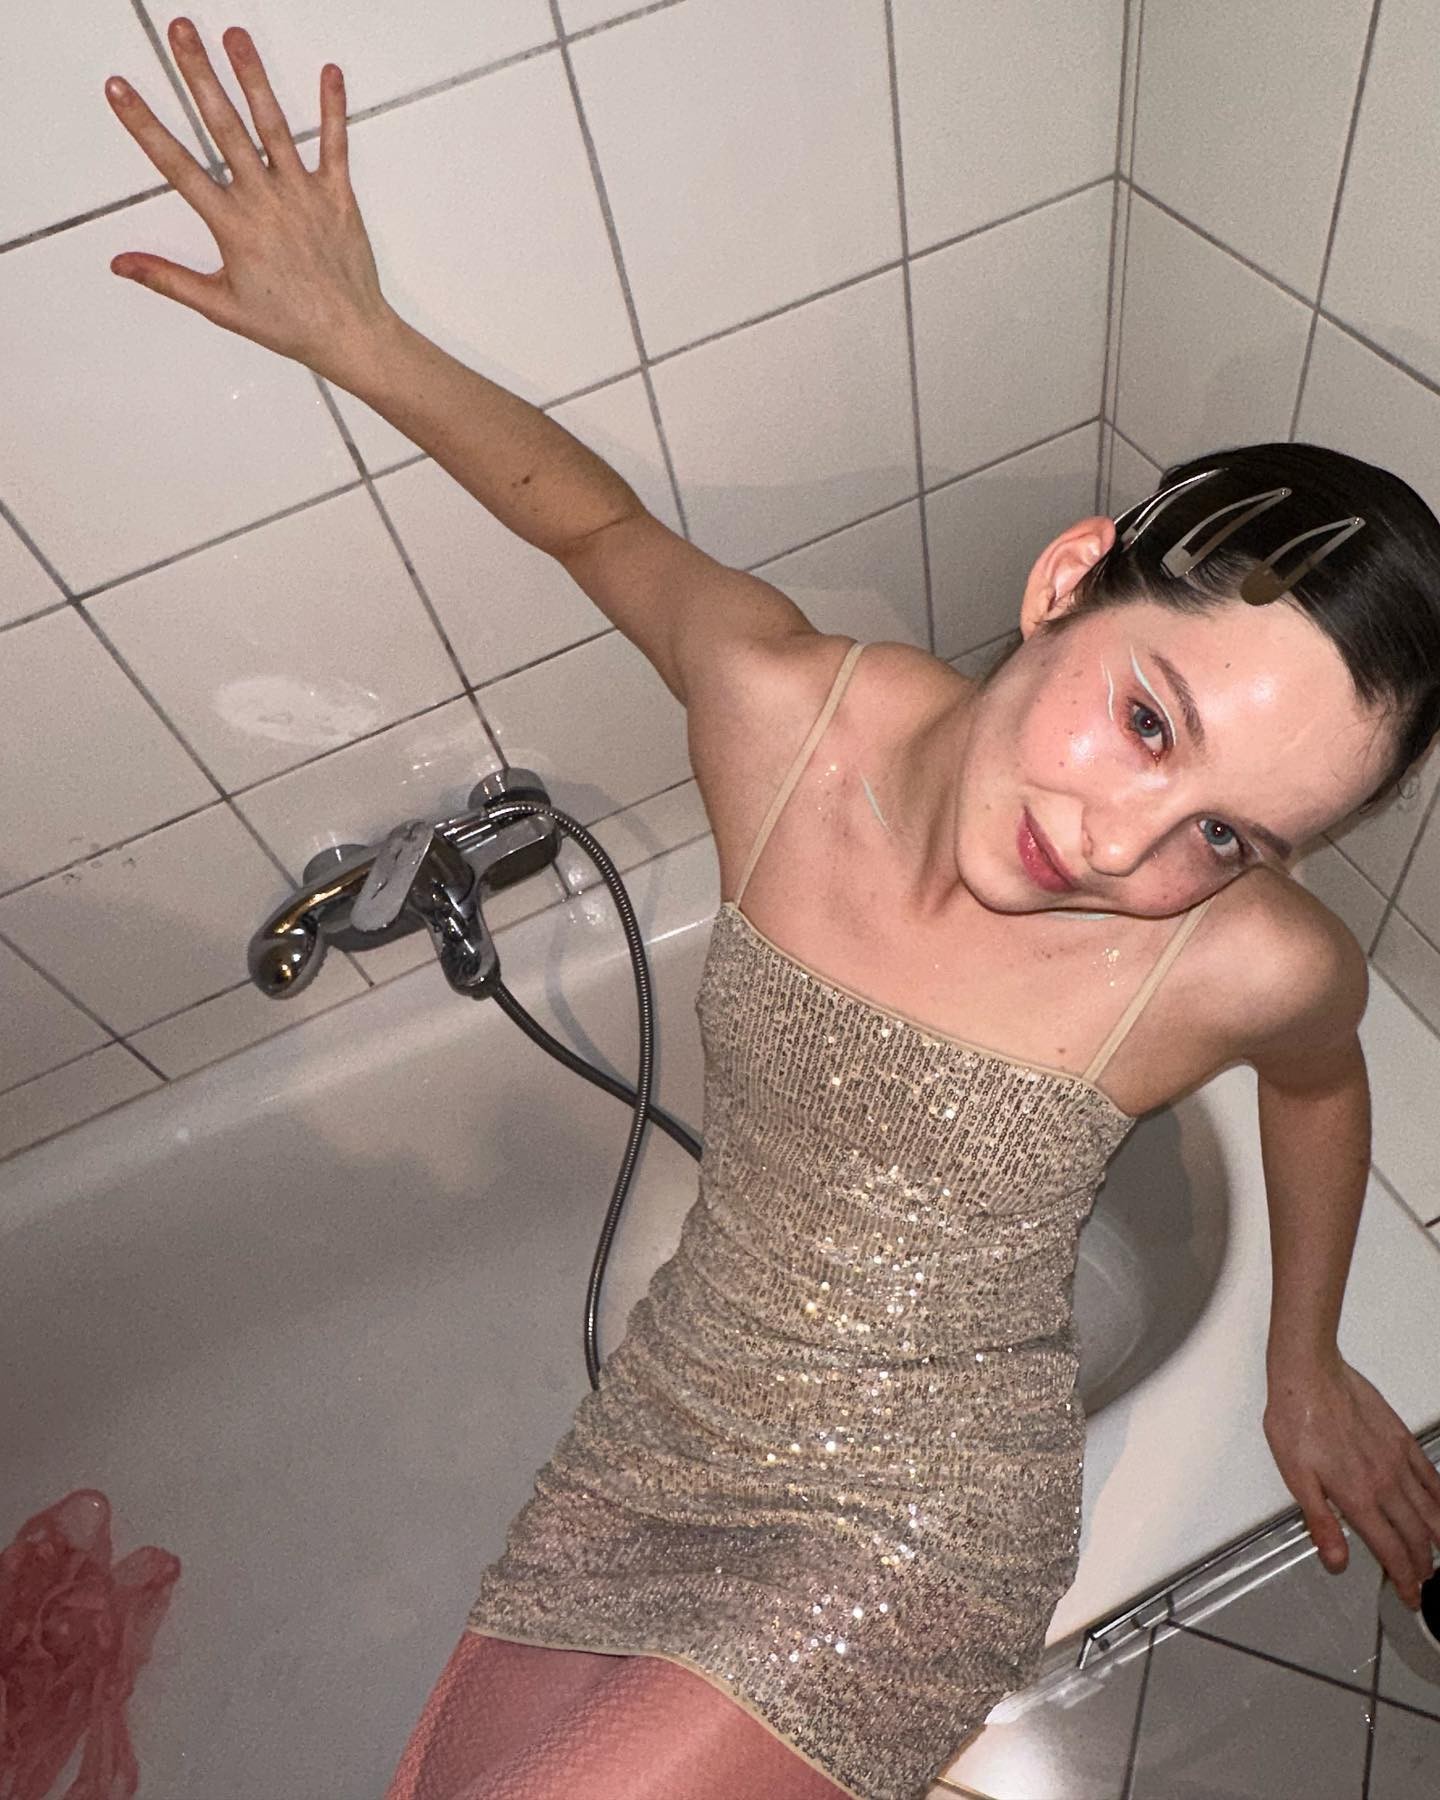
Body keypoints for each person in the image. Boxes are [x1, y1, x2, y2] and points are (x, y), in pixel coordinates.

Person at [105, 21, 1440, 1800]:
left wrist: (1302, 1361)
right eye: (1147, 720)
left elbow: (1325, 1080)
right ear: (1067, 581)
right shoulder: (779, 717)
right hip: (679, 1404)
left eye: (1227, 833)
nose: (1128, 843)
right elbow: (599, 530)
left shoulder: (1237, 959)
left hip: (921, 1514)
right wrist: (359, 334)